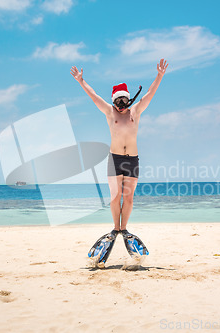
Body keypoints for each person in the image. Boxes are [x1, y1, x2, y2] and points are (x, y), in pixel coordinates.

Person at [71, 59, 168, 266]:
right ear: (115, 101)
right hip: (114, 159)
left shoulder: (137, 111)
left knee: (129, 198)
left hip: (132, 160)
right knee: (115, 197)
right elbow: (94, 96)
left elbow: (150, 94)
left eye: (124, 102)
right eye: (118, 103)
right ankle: (116, 228)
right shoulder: (109, 112)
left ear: (129, 100)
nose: (121, 107)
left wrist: (159, 76)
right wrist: (81, 81)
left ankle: (124, 229)